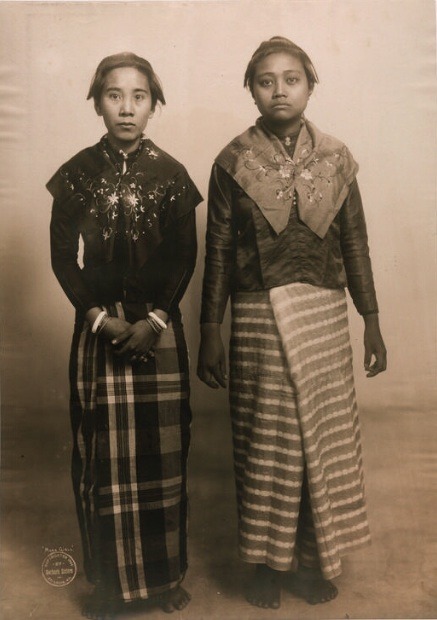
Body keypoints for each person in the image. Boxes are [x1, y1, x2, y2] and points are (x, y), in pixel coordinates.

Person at [198, 36, 387, 611]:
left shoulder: (338, 158)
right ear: (250, 89)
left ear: (310, 85)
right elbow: (221, 250)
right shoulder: (232, 161)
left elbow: (354, 242)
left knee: (318, 443)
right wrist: (211, 329)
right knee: (265, 442)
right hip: (257, 317)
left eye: (291, 79)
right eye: (265, 80)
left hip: (325, 318)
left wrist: (371, 320)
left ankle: (310, 561)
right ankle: (262, 565)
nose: (279, 90)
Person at [47, 52, 202, 619]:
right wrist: (98, 317)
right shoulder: (77, 174)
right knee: (103, 461)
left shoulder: (172, 176)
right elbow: (63, 257)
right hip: (100, 328)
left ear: (154, 104)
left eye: (139, 96)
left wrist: (157, 319)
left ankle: (163, 581)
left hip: (158, 328)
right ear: (97, 102)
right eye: (114, 95)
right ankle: (110, 587)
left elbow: (187, 255)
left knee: (163, 457)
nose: (127, 107)